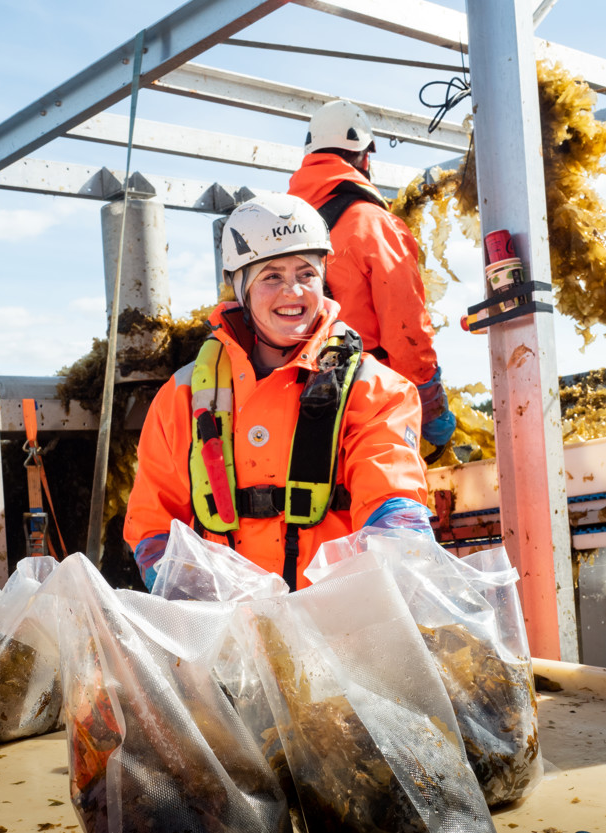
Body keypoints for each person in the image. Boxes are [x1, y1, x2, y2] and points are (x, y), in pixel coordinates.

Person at [124, 193, 433, 592]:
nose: (293, 291)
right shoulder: (181, 397)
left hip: (337, 619)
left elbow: (390, 493)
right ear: (240, 288)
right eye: (271, 276)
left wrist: (403, 551)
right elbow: (153, 524)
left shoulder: (375, 389)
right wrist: (191, 596)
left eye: (307, 274)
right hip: (228, 624)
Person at [287, 99, 456, 457]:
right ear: (364, 159)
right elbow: (406, 325)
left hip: (293, 404)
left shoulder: (284, 225)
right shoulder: (372, 222)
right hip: (368, 399)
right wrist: (430, 402)